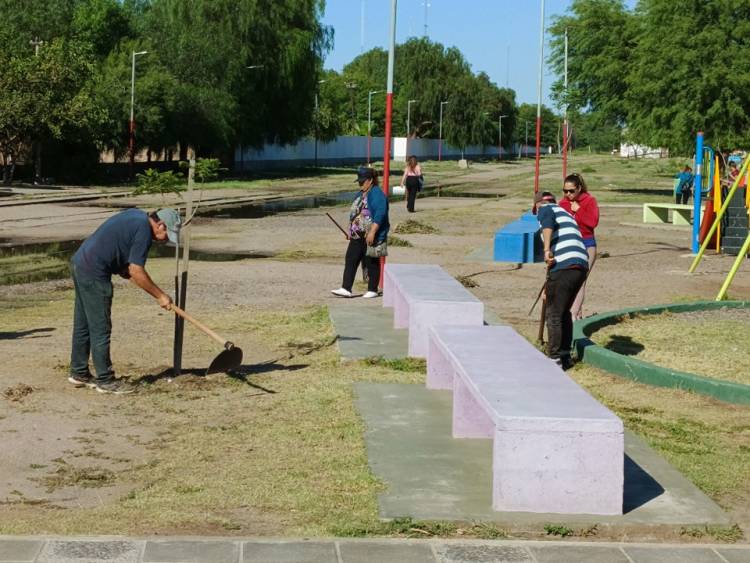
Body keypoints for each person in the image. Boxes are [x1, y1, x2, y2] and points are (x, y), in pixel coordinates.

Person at [68, 208, 180, 394]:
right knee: (100, 327)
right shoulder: (144, 231)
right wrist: (160, 296)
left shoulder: (136, 216)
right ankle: (105, 380)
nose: (166, 239)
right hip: (94, 272)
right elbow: (137, 270)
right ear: (160, 225)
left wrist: (121, 267)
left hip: (80, 263)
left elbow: (120, 249)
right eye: (167, 234)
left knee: (84, 323)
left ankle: (79, 372)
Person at [535, 191, 589, 371]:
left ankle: (554, 360)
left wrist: (546, 249)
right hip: (581, 264)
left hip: (565, 264)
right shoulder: (565, 213)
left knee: (554, 313)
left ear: (535, 206)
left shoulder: (545, 208)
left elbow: (548, 223)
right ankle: (565, 356)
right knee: (564, 311)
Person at [331, 166, 390, 299]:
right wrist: (350, 230)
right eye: (359, 182)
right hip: (357, 235)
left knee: (371, 261)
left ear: (370, 180)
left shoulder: (377, 194)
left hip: (371, 234)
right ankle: (346, 288)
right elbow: (355, 213)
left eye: (362, 182)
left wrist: (373, 232)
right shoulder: (360, 194)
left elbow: (380, 214)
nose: (360, 184)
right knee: (351, 259)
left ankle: (372, 289)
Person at [558, 172, 599, 320]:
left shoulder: (589, 201)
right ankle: (575, 312)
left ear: (579, 188)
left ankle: (573, 315)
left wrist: (579, 210)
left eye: (571, 191)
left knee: (580, 280)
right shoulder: (562, 204)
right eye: (565, 191)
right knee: (568, 281)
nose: (568, 194)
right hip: (568, 246)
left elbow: (592, 223)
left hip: (587, 245)